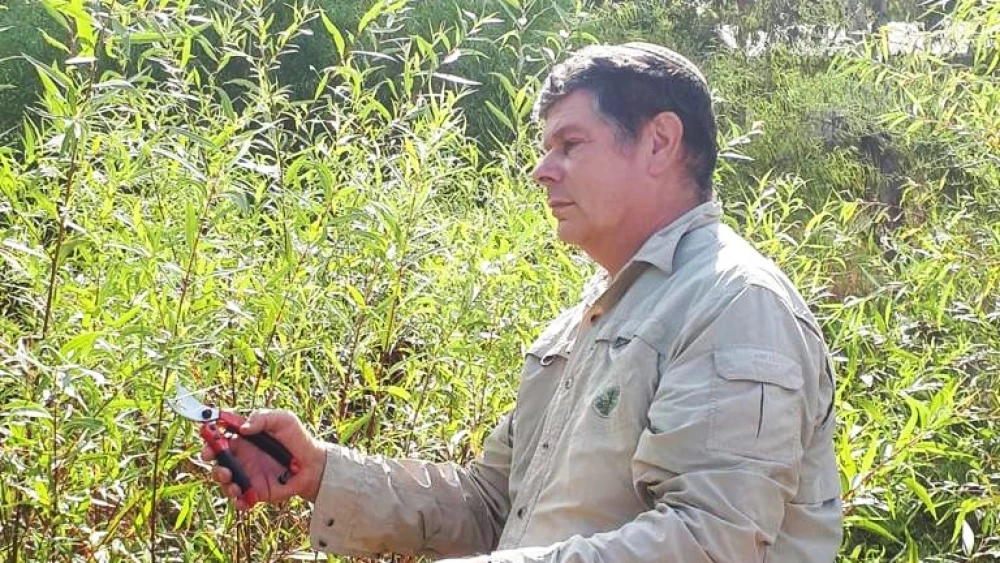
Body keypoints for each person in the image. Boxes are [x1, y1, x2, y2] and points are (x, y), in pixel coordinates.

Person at [203, 43, 843, 562]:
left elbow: (711, 544)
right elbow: (493, 507)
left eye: (570, 144)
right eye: (546, 148)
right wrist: (321, 470)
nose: (542, 169)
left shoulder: (734, 304)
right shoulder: (594, 317)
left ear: (658, 142)